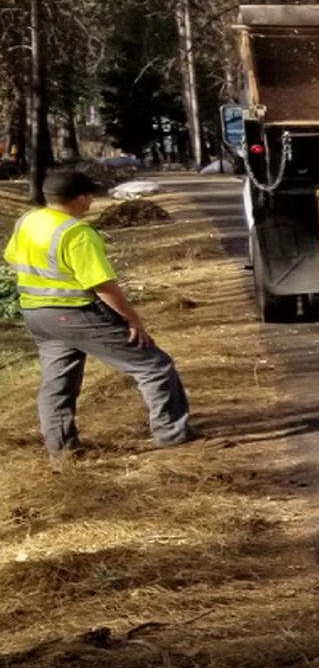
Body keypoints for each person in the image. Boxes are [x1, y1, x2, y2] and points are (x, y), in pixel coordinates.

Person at [4, 169, 194, 458]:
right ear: (80, 198)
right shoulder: (77, 233)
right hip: (76, 313)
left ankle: (62, 450)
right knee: (154, 366)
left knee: (58, 383)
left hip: (37, 314)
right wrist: (133, 319)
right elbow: (102, 285)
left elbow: (13, 259)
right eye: (90, 195)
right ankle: (172, 434)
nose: (92, 201)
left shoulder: (28, 220)